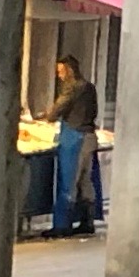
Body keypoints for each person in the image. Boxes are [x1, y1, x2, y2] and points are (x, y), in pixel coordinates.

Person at [47, 58, 103, 236]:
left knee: (68, 182)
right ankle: (87, 221)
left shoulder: (72, 88)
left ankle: (62, 225)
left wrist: (49, 116)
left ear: (69, 70)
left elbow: (57, 109)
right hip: (89, 137)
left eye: (61, 71)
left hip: (74, 138)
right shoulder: (90, 87)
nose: (59, 75)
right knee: (86, 182)